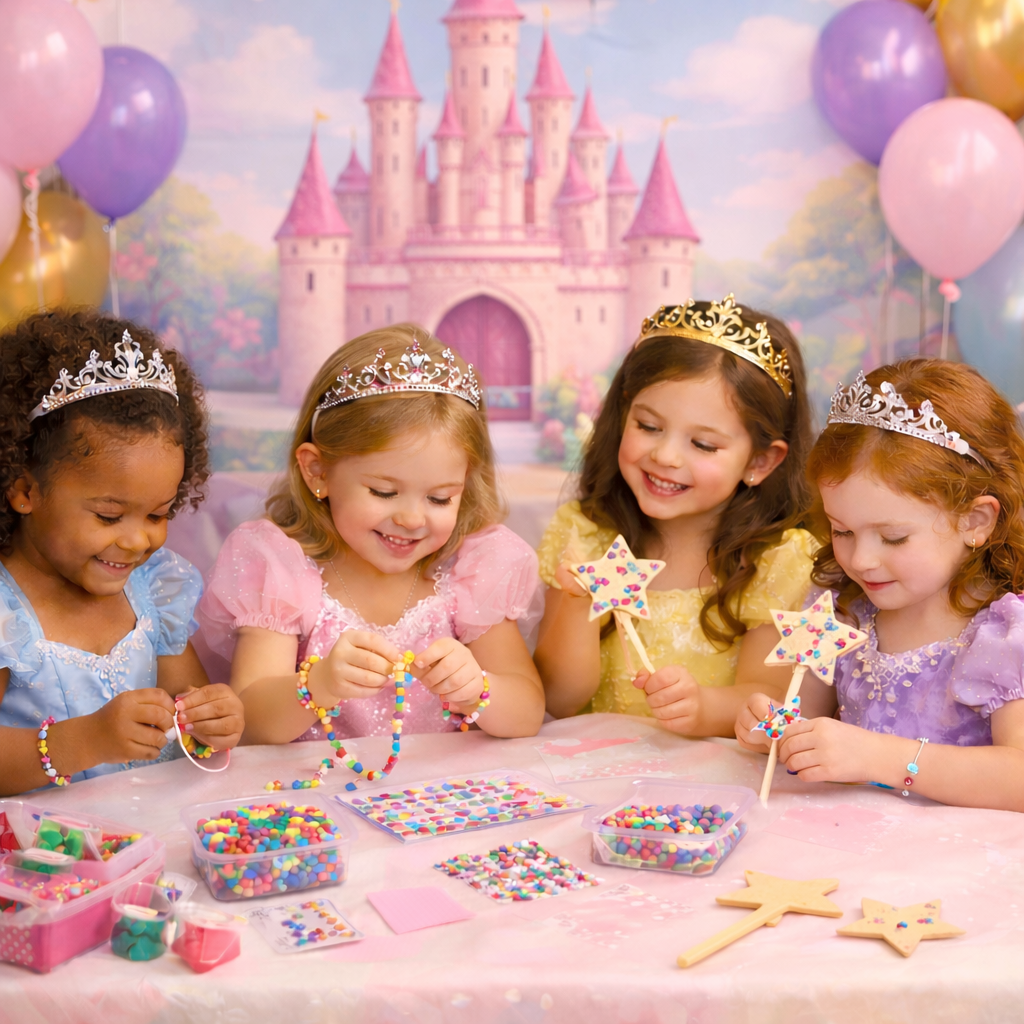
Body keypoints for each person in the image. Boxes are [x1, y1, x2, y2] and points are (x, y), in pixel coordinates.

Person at [197, 324, 545, 754]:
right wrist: (318, 683)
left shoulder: (469, 569)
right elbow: (251, 721)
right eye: (383, 492)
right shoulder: (282, 570)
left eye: (440, 497)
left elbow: (529, 712)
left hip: (439, 806)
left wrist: (479, 688)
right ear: (317, 471)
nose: (411, 518)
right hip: (314, 805)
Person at [736, 360, 1024, 812]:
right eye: (842, 531)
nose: (860, 560)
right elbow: (801, 717)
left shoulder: (1004, 632)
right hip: (844, 845)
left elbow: (1019, 778)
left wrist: (878, 758)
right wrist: (772, 727)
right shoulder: (843, 604)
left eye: (892, 537)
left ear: (975, 520)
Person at [535, 296, 816, 736]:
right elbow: (559, 699)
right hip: (593, 773)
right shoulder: (584, 534)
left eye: (703, 445)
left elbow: (772, 694)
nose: (664, 455)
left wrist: (705, 708)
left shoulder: (777, 560)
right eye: (648, 426)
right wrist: (576, 602)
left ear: (760, 462)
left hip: (712, 786)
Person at [0, 311, 244, 796]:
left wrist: (213, 720)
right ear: (25, 490)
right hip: (46, 854)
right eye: (109, 517)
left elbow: (188, 706)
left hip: (152, 837)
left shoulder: (151, 590)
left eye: (157, 515)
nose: (138, 542)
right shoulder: (7, 617)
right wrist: (85, 740)